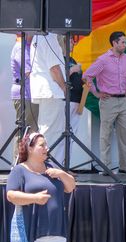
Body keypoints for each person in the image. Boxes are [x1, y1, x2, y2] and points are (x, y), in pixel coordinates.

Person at [83, 31, 126, 175]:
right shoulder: (103, 60)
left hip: (123, 102)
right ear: (114, 43)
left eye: (125, 42)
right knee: (105, 135)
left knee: (124, 134)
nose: (125, 44)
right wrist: (96, 93)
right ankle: (106, 167)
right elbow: (87, 76)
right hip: (108, 101)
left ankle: (124, 166)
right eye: (123, 42)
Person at [30, 33, 66, 165]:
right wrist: (64, 87)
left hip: (47, 92)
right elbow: (54, 69)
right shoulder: (49, 37)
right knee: (52, 132)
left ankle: (46, 165)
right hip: (52, 91)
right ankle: (48, 167)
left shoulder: (38, 37)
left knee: (49, 129)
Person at [11, 34, 39, 161]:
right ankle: (18, 163)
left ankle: (26, 162)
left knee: (31, 130)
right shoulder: (21, 47)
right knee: (25, 130)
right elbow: (29, 71)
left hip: (31, 93)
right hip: (25, 94)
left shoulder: (29, 47)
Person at [57, 35, 84, 152]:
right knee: (62, 133)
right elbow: (59, 77)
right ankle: (59, 164)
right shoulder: (58, 59)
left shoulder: (72, 60)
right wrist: (74, 69)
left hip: (77, 101)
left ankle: (67, 163)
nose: (73, 43)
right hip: (66, 101)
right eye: (70, 41)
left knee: (72, 134)